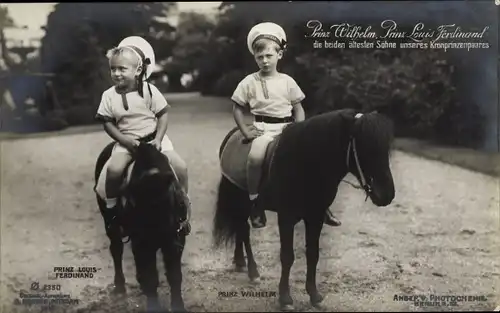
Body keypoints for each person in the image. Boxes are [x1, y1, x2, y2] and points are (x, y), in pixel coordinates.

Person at [231, 22, 341, 229]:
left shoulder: (287, 81)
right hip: (263, 129)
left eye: (269, 56)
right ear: (254, 57)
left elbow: (298, 107)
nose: (264, 61)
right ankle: (255, 202)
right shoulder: (249, 82)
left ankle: (321, 203)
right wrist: (245, 130)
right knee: (255, 157)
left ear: (279, 55)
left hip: (288, 128)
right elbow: (236, 108)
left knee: (315, 157)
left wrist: (300, 129)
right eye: (259, 57)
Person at [95, 36, 191, 237]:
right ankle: (113, 211)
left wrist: (158, 138)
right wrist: (124, 140)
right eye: (113, 69)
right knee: (113, 170)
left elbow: (162, 114)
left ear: (138, 71)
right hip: (128, 142)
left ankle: (182, 206)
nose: (117, 74)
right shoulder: (109, 96)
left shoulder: (149, 91)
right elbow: (107, 122)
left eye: (122, 69)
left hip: (154, 139)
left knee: (180, 167)